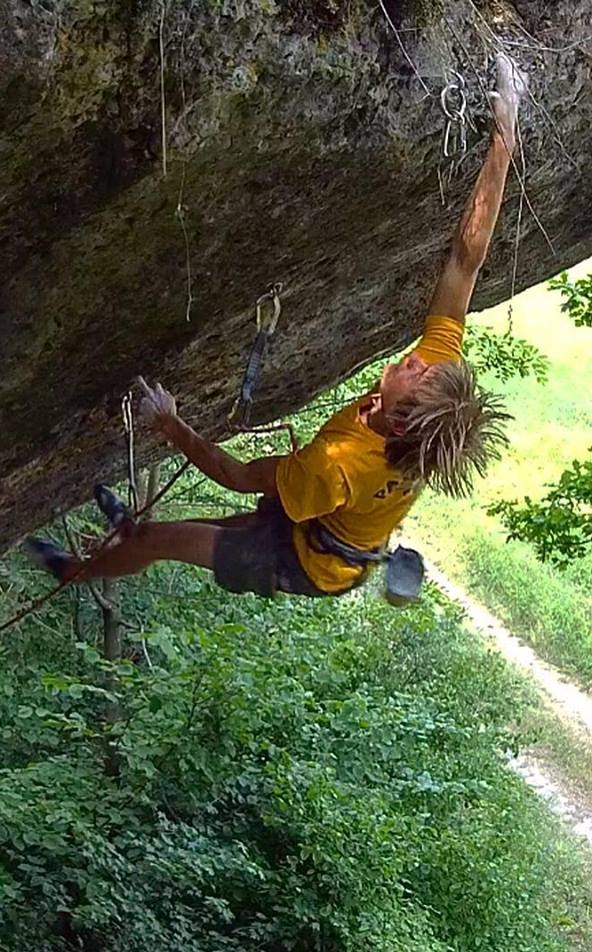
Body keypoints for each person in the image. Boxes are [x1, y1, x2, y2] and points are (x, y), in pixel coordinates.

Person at [28, 53, 525, 601]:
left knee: (154, 539)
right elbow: (466, 259)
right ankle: (123, 537)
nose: (415, 359)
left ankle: (73, 571)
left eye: (415, 374)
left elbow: (237, 476)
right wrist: (505, 132)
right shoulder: (436, 384)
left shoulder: (337, 468)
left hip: (307, 562)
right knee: (155, 535)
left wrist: (169, 425)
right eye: (424, 363)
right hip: (329, 525)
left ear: (402, 426)